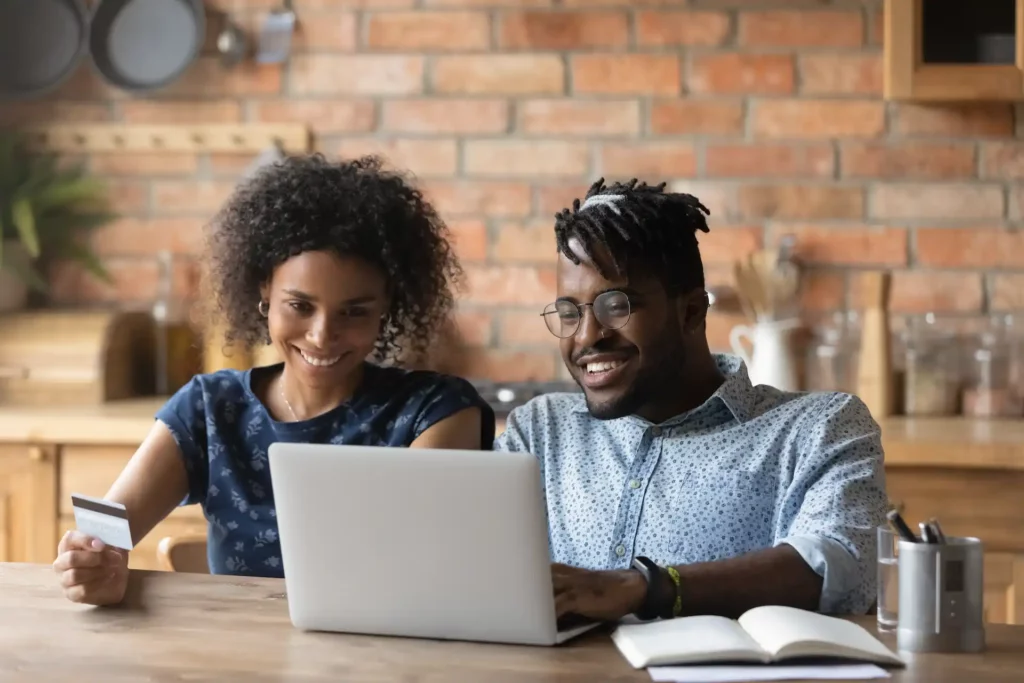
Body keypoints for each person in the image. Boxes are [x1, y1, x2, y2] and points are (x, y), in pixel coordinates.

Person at [54, 154, 495, 605]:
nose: (322, 335)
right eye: (300, 306)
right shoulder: (210, 409)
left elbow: (424, 573)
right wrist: (91, 565)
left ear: (388, 307)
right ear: (265, 291)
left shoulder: (435, 413)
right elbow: (104, 537)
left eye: (354, 311)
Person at [494, 177, 887, 624]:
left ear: (692, 312)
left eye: (616, 306)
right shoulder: (540, 433)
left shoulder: (819, 428)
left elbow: (844, 568)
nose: (587, 338)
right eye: (570, 313)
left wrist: (642, 589)